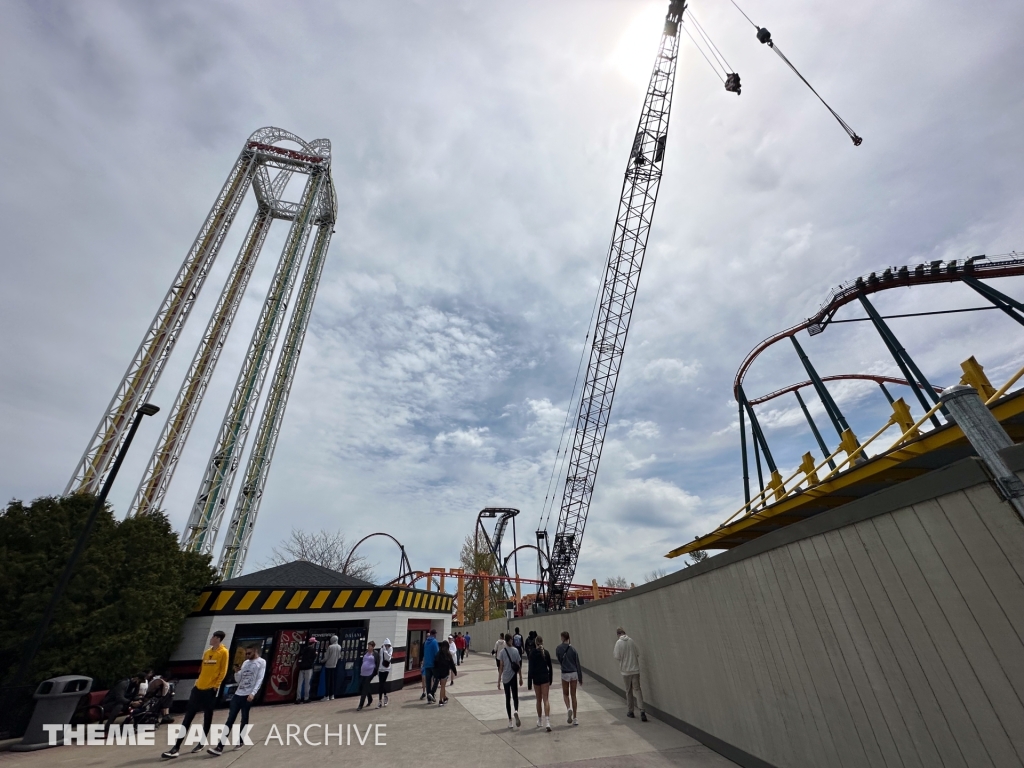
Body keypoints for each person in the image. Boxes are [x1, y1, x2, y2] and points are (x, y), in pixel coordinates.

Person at [162, 630, 229, 758]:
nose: (211, 639)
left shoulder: (224, 653)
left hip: (210, 690)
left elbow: (223, 671)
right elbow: (203, 670)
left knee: (207, 716)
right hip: (198, 688)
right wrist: (197, 683)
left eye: (214, 637)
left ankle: (202, 742)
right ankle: (176, 747)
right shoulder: (207, 652)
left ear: (218, 639)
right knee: (188, 717)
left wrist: (216, 686)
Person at [208, 644, 266, 756]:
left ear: (255, 651)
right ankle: (220, 746)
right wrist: (237, 671)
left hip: (248, 695)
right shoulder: (245, 662)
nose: (247, 655)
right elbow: (239, 680)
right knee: (230, 720)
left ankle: (240, 741)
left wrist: (253, 693)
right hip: (238, 694)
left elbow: (260, 679)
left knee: (244, 719)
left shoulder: (261, 662)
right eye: (246, 654)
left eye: (249, 653)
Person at [614, 627, 647, 722]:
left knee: (628, 691)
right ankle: (642, 711)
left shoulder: (618, 643)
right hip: (635, 670)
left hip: (626, 671)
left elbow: (617, 656)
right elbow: (638, 653)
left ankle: (631, 711)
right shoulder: (631, 641)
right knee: (638, 689)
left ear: (618, 634)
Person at [555, 631, 583, 727]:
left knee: (565, 694)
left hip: (565, 673)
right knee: (573, 695)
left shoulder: (559, 648)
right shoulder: (573, 649)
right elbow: (577, 663)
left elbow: (559, 659)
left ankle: (568, 708)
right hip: (574, 673)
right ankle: (575, 718)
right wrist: (580, 677)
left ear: (562, 638)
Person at [497, 634, 522, 730]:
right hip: (513, 677)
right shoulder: (515, 651)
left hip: (506, 678)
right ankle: (516, 710)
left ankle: (510, 721)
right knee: (515, 696)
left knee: (508, 698)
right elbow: (518, 665)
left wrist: (499, 680)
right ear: (511, 640)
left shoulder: (502, 652)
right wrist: (520, 677)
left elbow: (501, 667)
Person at [530, 635, 553, 731]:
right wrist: (550, 679)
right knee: (546, 699)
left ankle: (540, 720)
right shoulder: (546, 653)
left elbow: (530, 668)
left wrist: (529, 682)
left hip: (536, 678)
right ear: (542, 642)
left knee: (538, 699)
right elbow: (550, 667)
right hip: (545, 678)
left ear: (535, 643)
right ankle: (547, 721)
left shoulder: (532, 653)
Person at [433, 640, 457, 707]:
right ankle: (441, 701)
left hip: (439, 673)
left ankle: (445, 697)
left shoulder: (438, 653)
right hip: (445, 672)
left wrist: (435, 673)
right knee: (443, 686)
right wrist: (455, 671)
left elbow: (435, 663)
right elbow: (452, 664)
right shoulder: (448, 654)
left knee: (442, 686)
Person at [356, 641, 379, 711]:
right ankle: (370, 699)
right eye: (368, 646)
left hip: (370, 672)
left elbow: (377, 663)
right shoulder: (365, 653)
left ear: (373, 647)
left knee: (364, 688)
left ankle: (360, 705)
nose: (368, 647)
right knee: (363, 686)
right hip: (363, 672)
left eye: (369, 646)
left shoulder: (375, 654)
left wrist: (375, 672)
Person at [296, 636, 317, 703]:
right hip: (308, 668)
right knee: (307, 684)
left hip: (302, 667)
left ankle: (298, 698)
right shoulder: (313, 650)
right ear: (313, 643)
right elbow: (314, 658)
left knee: (299, 683)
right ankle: (306, 698)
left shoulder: (304, 649)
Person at [422, 629, 439, 703]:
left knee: (428, 682)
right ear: (434, 634)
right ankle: (432, 693)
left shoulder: (426, 642)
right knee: (437, 678)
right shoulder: (434, 642)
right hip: (433, 664)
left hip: (427, 664)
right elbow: (437, 653)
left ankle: (429, 699)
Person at [323, 635, 342, 701]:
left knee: (327, 681)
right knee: (332, 681)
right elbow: (339, 656)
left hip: (328, 665)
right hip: (335, 665)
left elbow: (326, 657)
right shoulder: (339, 646)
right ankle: (332, 695)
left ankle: (327, 696)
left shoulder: (330, 647)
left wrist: (321, 661)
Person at [377, 639, 393, 708]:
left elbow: (388, 657)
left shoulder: (390, 649)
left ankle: (385, 697)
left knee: (383, 683)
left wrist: (385, 650)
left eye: (388, 645)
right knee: (380, 684)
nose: (386, 646)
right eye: (385, 645)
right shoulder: (381, 649)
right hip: (381, 669)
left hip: (386, 669)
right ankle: (380, 700)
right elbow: (380, 659)